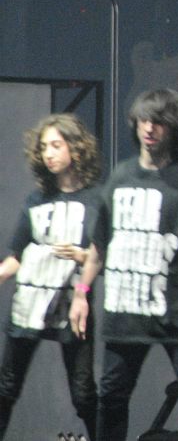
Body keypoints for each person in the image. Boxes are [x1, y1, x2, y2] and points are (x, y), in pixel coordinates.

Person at [69, 89, 178, 441]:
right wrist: (81, 293)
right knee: (111, 396)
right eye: (143, 120)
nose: (149, 128)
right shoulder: (121, 175)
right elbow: (98, 244)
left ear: (174, 129)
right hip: (125, 310)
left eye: (158, 122)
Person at [0, 114, 100, 440]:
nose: (49, 154)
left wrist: (81, 257)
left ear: (75, 148)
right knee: (7, 386)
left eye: (56, 145)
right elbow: (15, 256)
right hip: (30, 302)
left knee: (83, 393)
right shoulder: (36, 200)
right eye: (44, 147)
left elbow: (102, 256)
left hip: (72, 303)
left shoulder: (95, 199)